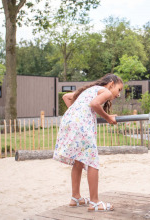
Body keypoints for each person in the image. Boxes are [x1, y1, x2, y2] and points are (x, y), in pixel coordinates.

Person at [53, 73, 123, 212]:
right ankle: (95, 202)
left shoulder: (88, 91)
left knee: (79, 160)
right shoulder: (105, 91)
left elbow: (66, 97)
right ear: (111, 84)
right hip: (81, 125)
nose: (119, 94)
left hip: (68, 122)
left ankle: (76, 197)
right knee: (92, 161)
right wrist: (108, 117)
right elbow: (94, 104)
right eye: (119, 89)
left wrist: (77, 113)